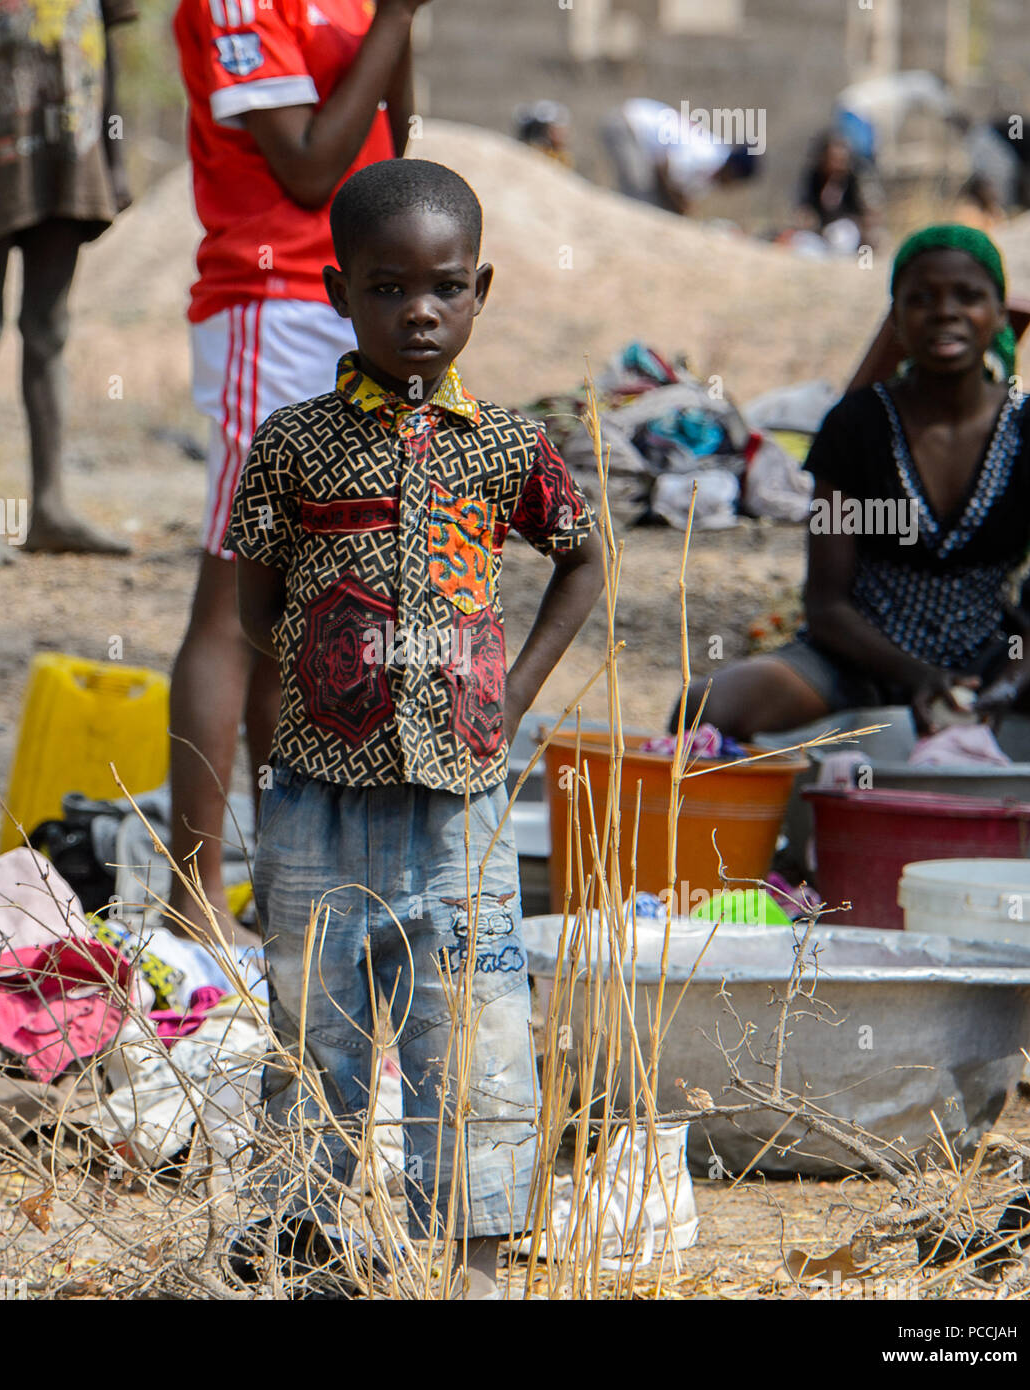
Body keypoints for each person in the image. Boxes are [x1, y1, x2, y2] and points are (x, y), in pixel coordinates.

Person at [223, 159, 603, 1296]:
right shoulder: (294, 443)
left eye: (444, 287)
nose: (419, 312)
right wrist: (285, 726)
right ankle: (303, 1241)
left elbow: (581, 557)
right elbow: (256, 594)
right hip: (316, 797)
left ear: (480, 289)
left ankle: (475, 1262)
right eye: (388, 288)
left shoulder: (508, 445)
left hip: (463, 800)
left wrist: (516, 690)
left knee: (473, 1028)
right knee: (313, 1028)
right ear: (340, 290)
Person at [169, 0, 428, 952]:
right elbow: (310, 166)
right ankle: (191, 892)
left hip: (346, 297)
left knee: (304, 609)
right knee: (231, 605)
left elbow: (396, 137)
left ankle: (290, 885)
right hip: (269, 303)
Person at [677, 224, 1030, 739]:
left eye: (968, 296)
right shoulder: (857, 426)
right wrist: (922, 678)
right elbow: (826, 605)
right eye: (921, 299)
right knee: (706, 707)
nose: (946, 311)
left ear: (999, 317)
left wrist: (1007, 686)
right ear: (897, 325)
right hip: (858, 658)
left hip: (989, 656)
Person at [0, 0, 136, 566]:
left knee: (49, 326)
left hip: (73, 151)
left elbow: (108, 45)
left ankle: (51, 508)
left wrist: (116, 156)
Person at [601, 97, 761, 215]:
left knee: (655, 207)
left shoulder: (712, 176)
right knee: (640, 201)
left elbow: (682, 195)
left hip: (640, 140)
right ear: (732, 170)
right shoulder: (707, 154)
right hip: (629, 125)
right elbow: (663, 166)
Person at [794, 131, 879, 251]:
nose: (838, 164)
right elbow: (805, 206)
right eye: (833, 159)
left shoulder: (854, 179)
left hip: (846, 230)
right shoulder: (814, 178)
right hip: (820, 232)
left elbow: (867, 211)